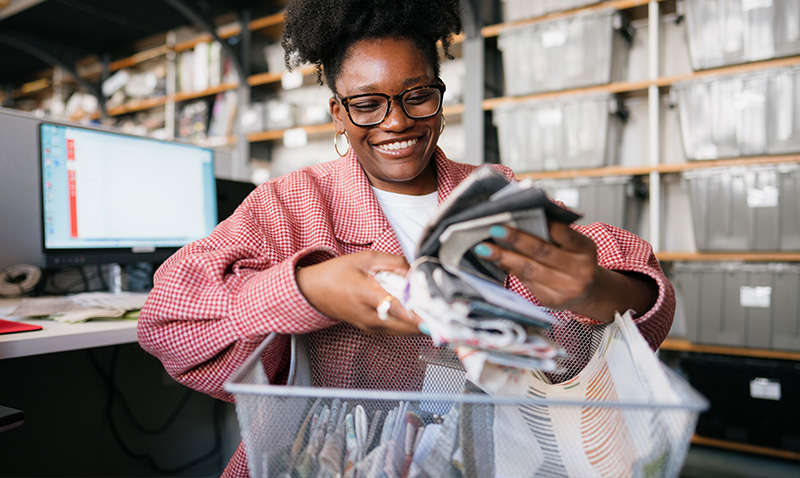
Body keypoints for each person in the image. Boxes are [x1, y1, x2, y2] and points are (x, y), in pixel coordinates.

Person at [137, 0, 675, 475]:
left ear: (440, 98)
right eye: (367, 105)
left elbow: (644, 284)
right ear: (338, 114)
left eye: (417, 96)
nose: (396, 122)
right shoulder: (290, 202)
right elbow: (168, 321)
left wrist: (595, 289)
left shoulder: (494, 191)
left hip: (481, 457)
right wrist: (309, 290)